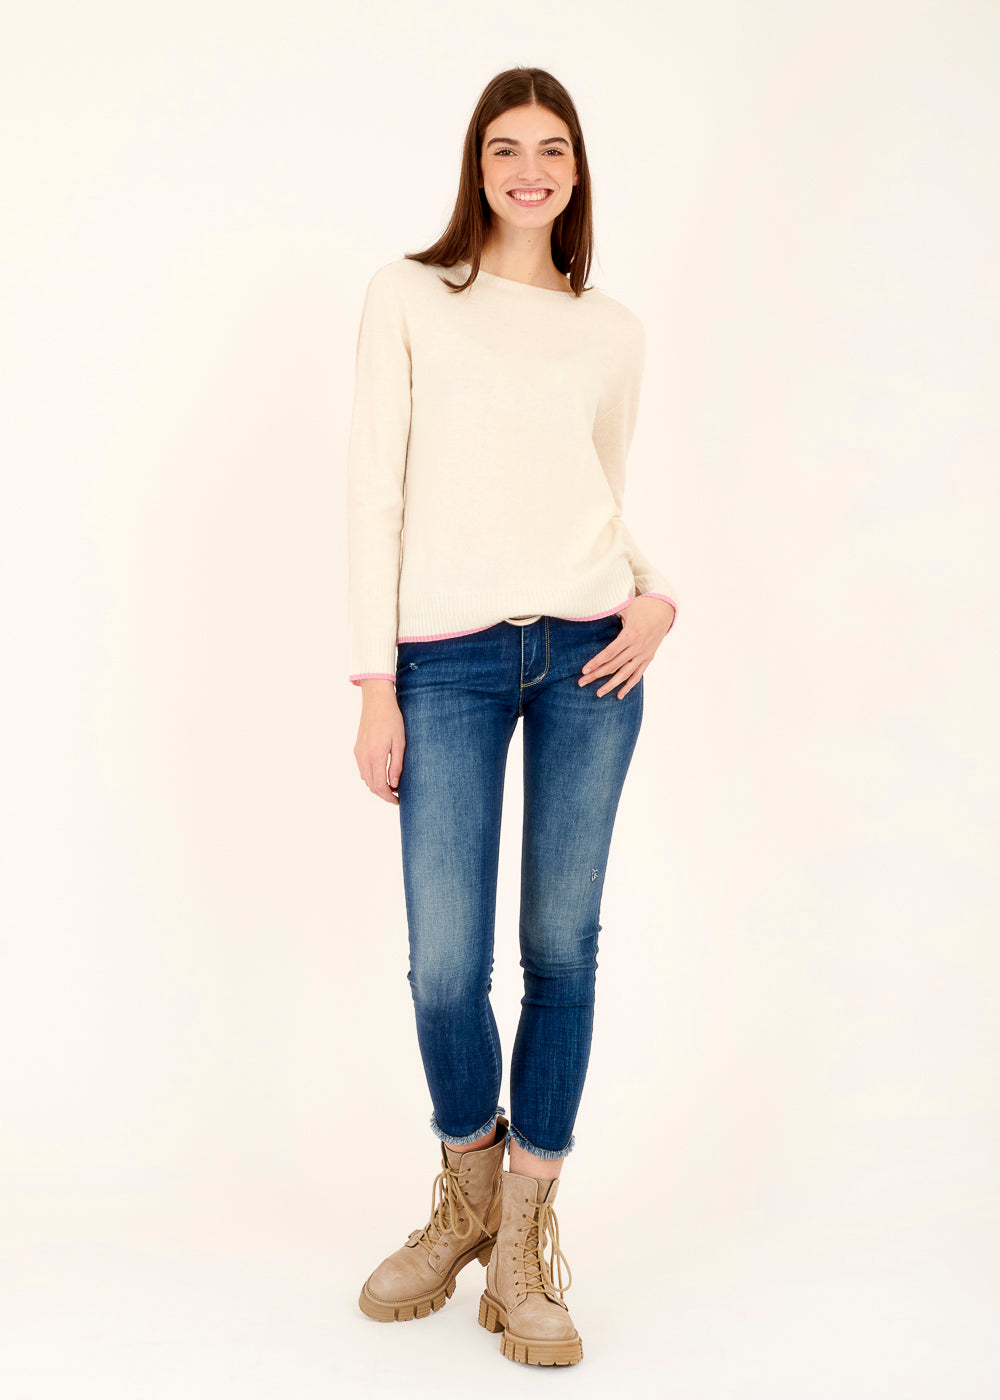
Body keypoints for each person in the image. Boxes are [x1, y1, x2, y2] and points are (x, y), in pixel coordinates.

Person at [347, 66, 678, 1368]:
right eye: (505, 148)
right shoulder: (410, 296)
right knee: (445, 964)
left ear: (577, 169)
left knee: (561, 950)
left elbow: (592, 492)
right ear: (474, 166)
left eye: (551, 149)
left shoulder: (612, 331)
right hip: (445, 661)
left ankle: (527, 1241)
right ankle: (468, 1193)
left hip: (595, 650)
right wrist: (374, 681)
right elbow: (375, 492)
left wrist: (656, 595)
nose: (528, 169)